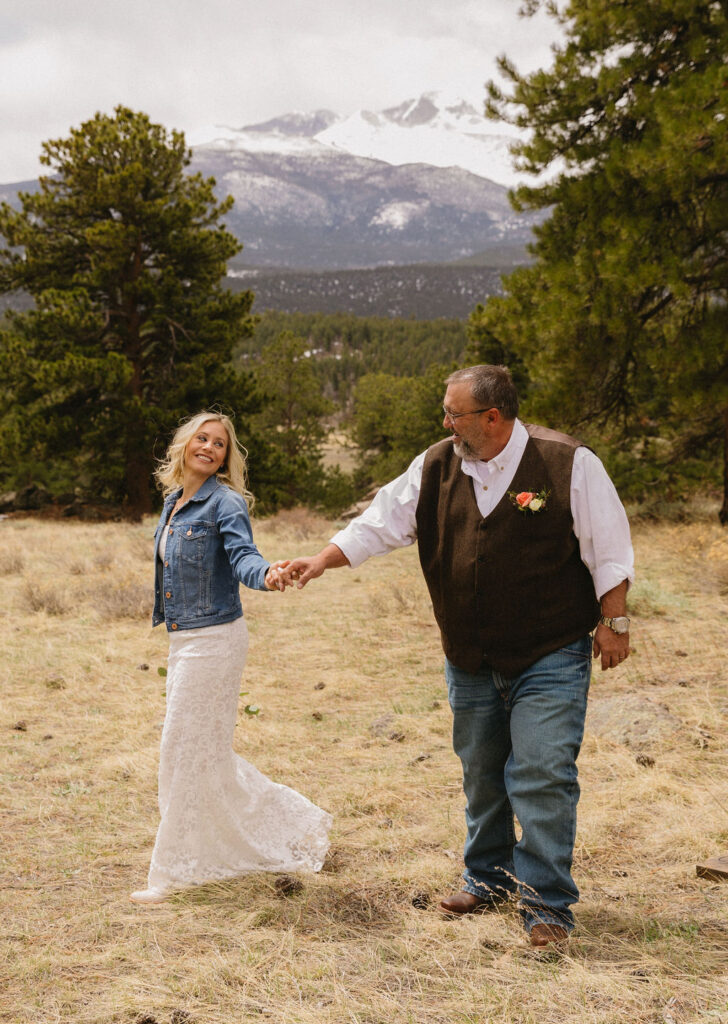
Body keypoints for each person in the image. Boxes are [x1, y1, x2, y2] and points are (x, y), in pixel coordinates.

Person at [281, 365, 633, 948]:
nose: (445, 422)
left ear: (492, 417)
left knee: (542, 773)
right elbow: (379, 523)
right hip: (469, 654)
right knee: (481, 770)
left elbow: (609, 547)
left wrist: (614, 622)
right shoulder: (437, 464)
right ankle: (488, 878)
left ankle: (547, 903)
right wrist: (321, 560)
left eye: (454, 413)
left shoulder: (569, 462)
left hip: (550, 649)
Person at [130, 411, 331, 905]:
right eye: (202, 438)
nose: (209, 448)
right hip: (183, 642)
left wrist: (269, 575)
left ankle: (173, 872)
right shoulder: (173, 501)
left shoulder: (226, 503)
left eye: (219, 444)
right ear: (185, 445)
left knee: (184, 750)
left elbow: (244, 558)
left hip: (216, 641)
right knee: (200, 754)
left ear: (226, 456)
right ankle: (290, 825)